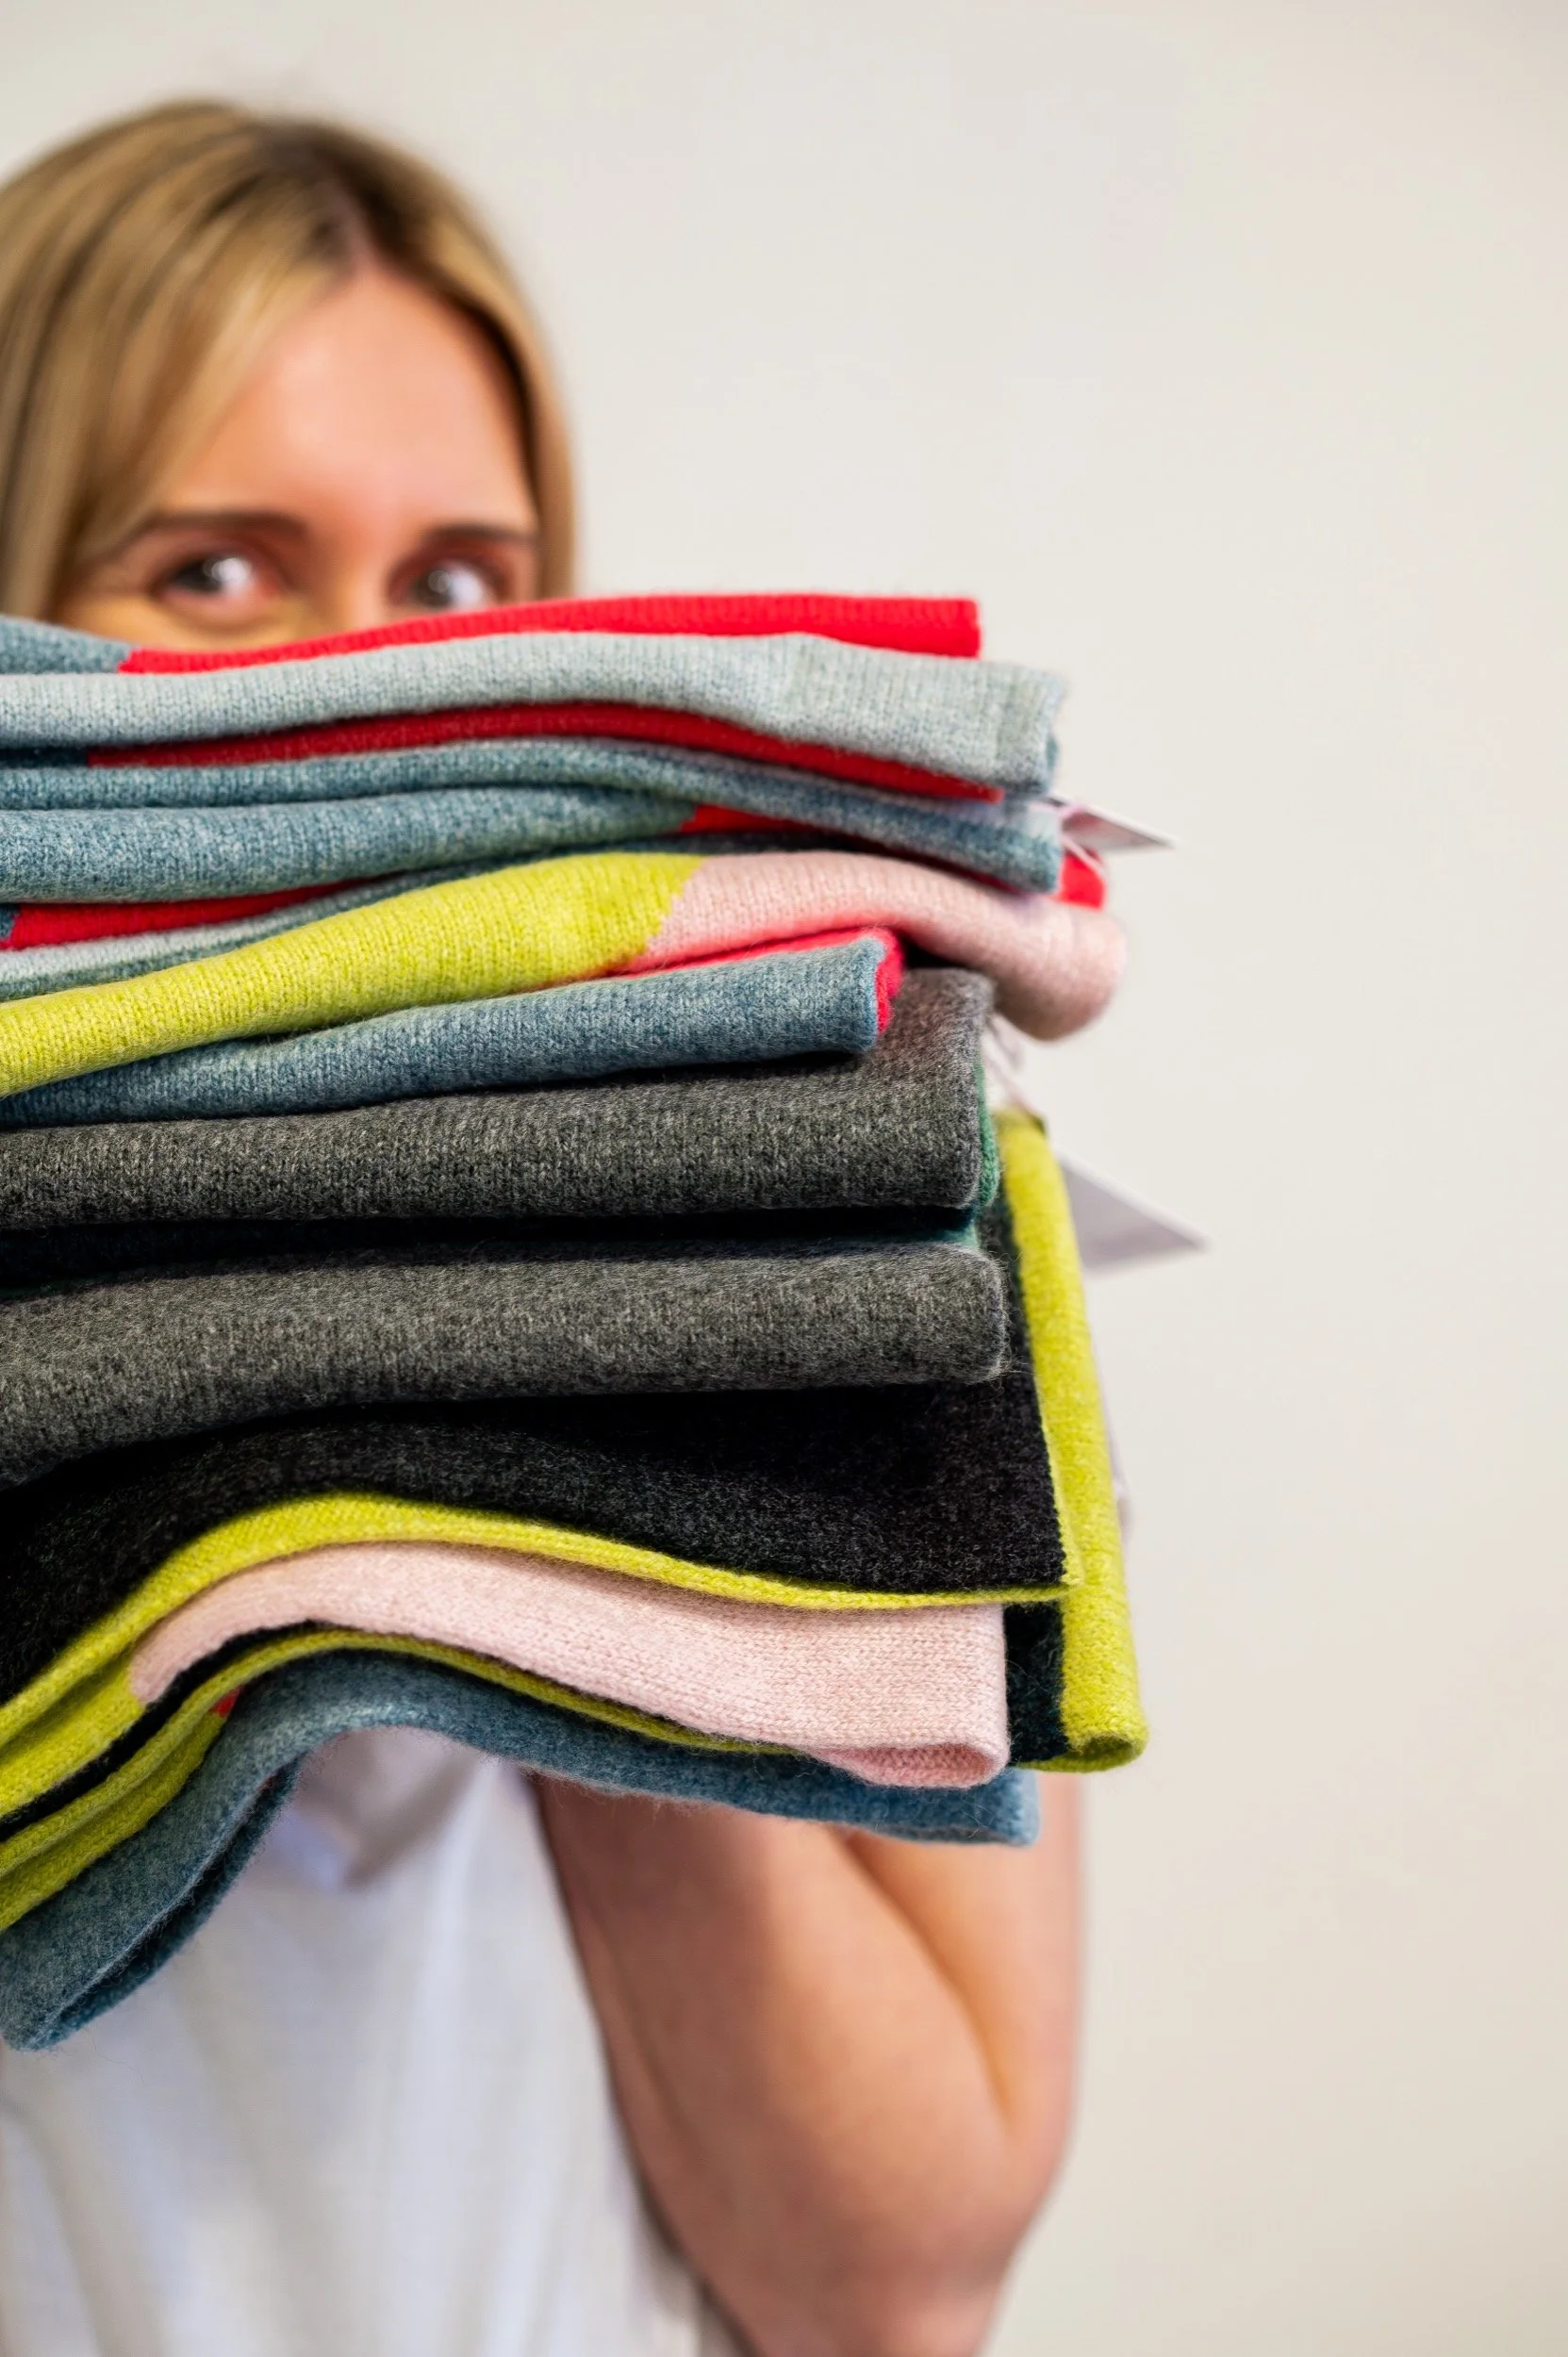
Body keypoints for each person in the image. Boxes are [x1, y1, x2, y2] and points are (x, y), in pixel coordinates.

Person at [0, 101, 1081, 2357]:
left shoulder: (840, 1191)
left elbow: (895, 2276)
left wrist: (558, 1412)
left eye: (465, 592)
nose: (366, 688)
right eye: (212, 572)